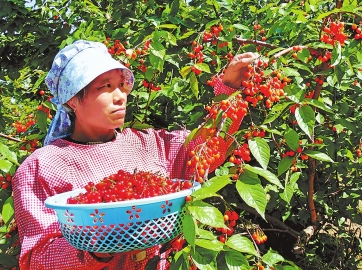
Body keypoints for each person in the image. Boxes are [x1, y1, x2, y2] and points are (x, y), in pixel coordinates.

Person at [12, 39, 257, 270]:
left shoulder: (148, 144)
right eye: (105, 87)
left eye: (121, 85)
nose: (120, 96)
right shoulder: (43, 167)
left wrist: (229, 88)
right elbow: (38, 259)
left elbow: (207, 147)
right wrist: (97, 247)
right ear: (73, 100)